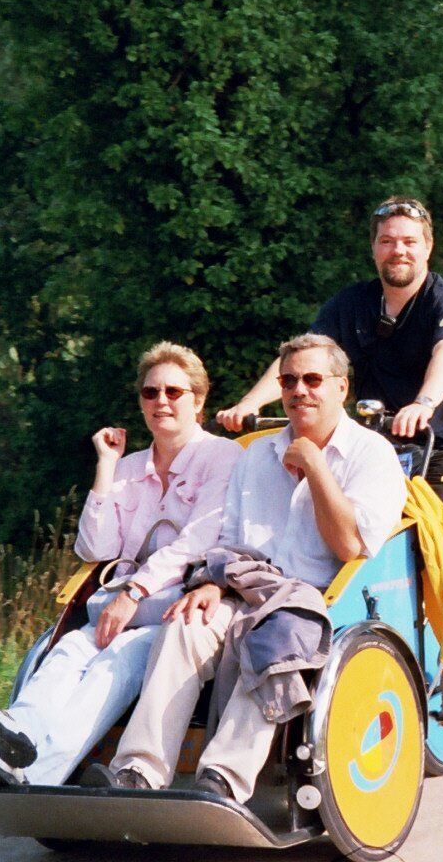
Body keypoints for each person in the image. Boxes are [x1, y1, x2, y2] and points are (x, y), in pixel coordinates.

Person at [87, 335, 407, 802]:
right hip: (245, 589)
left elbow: (350, 545)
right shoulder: (257, 455)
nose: (300, 390)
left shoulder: (371, 454)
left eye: (313, 379)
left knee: (276, 636)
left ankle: (223, 778)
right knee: (185, 623)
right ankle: (139, 771)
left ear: (341, 388)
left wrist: (316, 467)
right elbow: (231, 541)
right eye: (290, 380)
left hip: (320, 598)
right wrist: (214, 583)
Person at [0, 344, 242, 787]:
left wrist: (134, 592)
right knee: (67, 653)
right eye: (150, 392)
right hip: (117, 605)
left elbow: (195, 540)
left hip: (174, 610)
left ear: (198, 401)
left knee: (114, 664)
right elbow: (92, 548)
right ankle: (13, 736)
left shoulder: (222, 457)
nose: (161, 401)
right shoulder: (129, 466)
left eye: (174, 392)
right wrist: (106, 468)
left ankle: (41, 774)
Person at [217, 196, 443, 535]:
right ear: (374, 249)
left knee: (433, 539)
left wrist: (423, 404)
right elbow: (301, 357)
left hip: (441, 446)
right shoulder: (353, 303)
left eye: (409, 241)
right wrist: (250, 404)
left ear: (428, 248)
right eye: (387, 241)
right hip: (374, 448)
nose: (398, 250)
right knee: (331, 529)